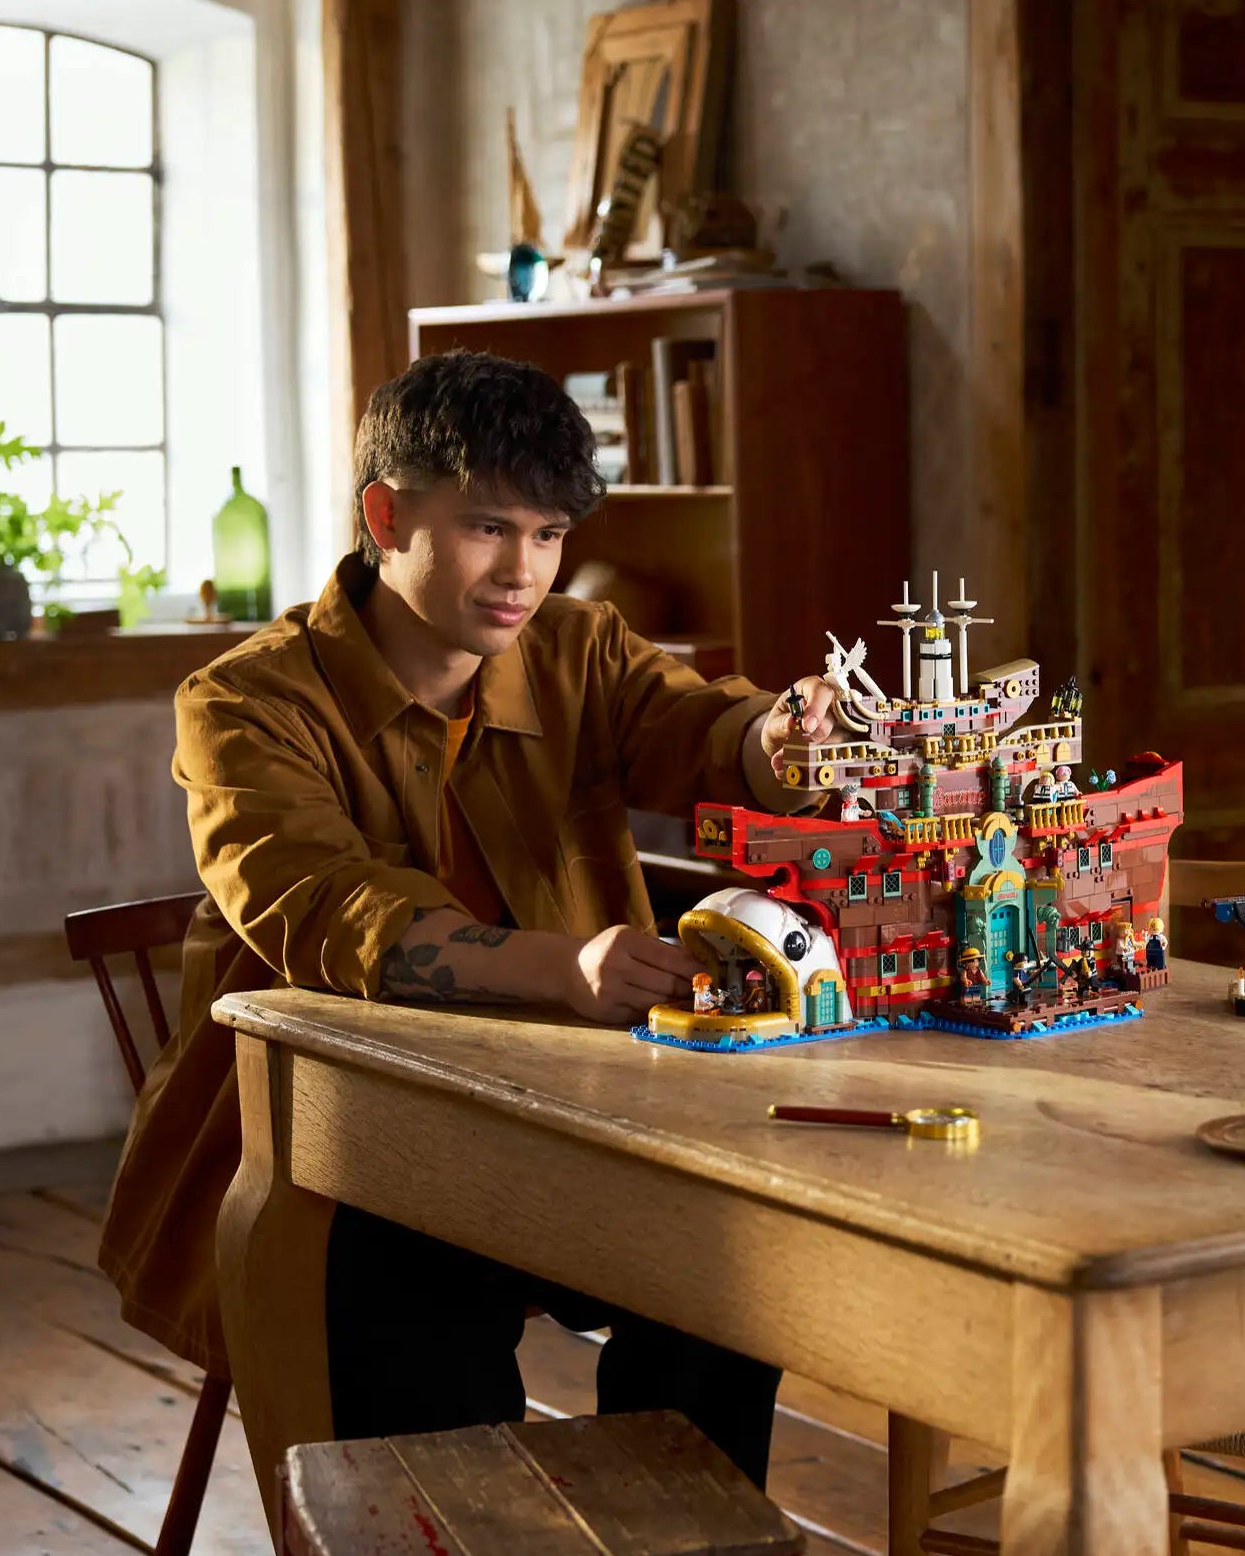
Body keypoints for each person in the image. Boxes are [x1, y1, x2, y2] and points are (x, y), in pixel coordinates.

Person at [97, 351, 842, 1488]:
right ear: (385, 516)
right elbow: (327, 910)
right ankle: (463, 1553)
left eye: (549, 535)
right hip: (338, 1154)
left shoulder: (579, 650)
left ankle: (679, 1548)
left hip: (575, 1120)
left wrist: (778, 741)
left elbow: (700, 729)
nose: (523, 572)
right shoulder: (246, 701)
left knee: (733, 1256)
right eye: (489, 527)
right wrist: (566, 969)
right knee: (407, 1308)